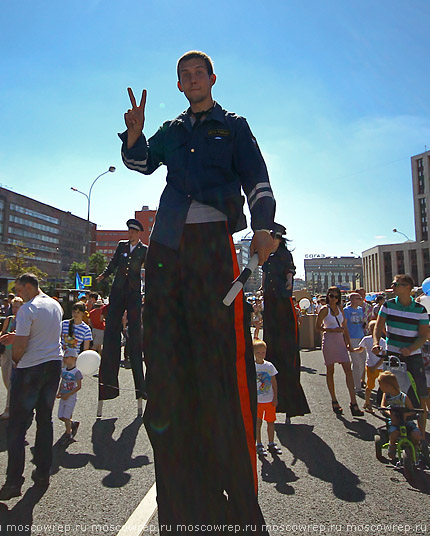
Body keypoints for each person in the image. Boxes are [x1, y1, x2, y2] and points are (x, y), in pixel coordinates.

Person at [121, 50, 275, 532]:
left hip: (213, 246)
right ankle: (182, 498)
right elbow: (141, 164)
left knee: (222, 363)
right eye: (182, 75)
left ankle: (237, 497)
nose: (190, 80)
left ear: (211, 78)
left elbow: (258, 180)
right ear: (179, 84)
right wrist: (133, 134)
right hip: (167, 248)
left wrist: (266, 228)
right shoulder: (171, 129)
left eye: (197, 73)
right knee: (165, 358)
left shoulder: (233, 126)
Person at [0, 273, 63, 500]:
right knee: (45, 420)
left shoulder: (27, 309)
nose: (17, 294)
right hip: (53, 364)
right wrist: (17, 337)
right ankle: (43, 472)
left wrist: (15, 358)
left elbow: (23, 346)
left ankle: (14, 481)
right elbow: (43, 335)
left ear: (28, 286)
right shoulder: (54, 305)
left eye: (19, 289)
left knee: (16, 426)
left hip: (30, 369)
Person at [372, 274, 430, 444]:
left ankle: (422, 435)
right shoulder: (388, 305)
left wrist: (411, 349)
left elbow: (423, 335)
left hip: (412, 356)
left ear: (408, 287)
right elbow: (378, 326)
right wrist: (377, 343)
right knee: (390, 389)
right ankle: (394, 427)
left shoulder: (420, 310)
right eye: (393, 284)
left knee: (420, 393)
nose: (393, 287)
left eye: (397, 284)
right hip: (392, 355)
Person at [96, 218, 147, 415]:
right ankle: (110, 371)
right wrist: (104, 275)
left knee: (134, 331)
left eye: (133, 232)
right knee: (112, 329)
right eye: (129, 231)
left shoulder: (144, 250)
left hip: (133, 292)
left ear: (139, 234)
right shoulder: (121, 246)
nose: (130, 234)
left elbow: (148, 270)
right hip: (118, 290)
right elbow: (114, 263)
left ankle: (140, 386)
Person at [261, 226, 309, 422]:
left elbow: (289, 272)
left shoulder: (284, 254)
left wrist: (289, 280)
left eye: (272, 238)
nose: (270, 241)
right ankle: (272, 398)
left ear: (279, 239)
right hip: (271, 302)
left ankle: (292, 402)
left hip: (283, 301)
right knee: (270, 348)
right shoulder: (266, 255)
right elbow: (264, 275)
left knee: (288, 351)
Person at [315, 286, 363, 416]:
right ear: (327, 296)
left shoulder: (341, 309)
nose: (333, 299)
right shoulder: (325, 310)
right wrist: (331, 330)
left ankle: (353, 402)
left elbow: (345, 327)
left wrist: (348, 343)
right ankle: (334, 400)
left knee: (348, 369)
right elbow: (317, 327)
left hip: (340, 341)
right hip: (329, 341)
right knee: (330, 371)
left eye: (336, 297)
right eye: (331, 296)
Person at [378, 371, 421, 462]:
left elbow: (412, 410)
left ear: (387, 385)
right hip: (394, 422)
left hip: (406, 422)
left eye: (380, 385)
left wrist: (406, 414)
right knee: (394, 434)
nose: (380, 387)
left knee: (416, 435)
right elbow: (383, 406)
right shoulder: (386, 395)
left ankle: (415, 448)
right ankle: (392, 447)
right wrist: (390, 414)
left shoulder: (403, 397)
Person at [253, 339, 280, 455]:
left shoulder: (269, 366)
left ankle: (271, 443)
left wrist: (275, 397)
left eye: (263, 352)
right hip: (257, 401)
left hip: (269, 399)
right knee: (258, 422)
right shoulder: (252, 367)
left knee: (271, 422)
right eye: (258, 353)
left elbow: (274, 382)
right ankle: (258, 443)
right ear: (253, 353)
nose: (261, 355)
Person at [351, 320, 385, 412]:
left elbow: (384, 356)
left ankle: (382, 404)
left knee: (383, 386)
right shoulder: (366, 339)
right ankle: (367, 402)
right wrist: (352, 350)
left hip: (380, 367)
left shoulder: (383, 341)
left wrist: (377, 365)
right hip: (370, 366)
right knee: (370, 385)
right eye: (371, 328)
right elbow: (360, 349)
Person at [0, 296, 23, 419]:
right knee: (6, 379)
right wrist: (1, 338)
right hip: (5, 351)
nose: (14, 309)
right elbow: (2, 332)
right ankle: (15, 398)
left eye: (17, 307)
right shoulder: (9, 319)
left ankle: (8, 407)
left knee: (12, 380)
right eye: (13, 306)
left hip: (16, 352)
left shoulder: (24, 320)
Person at [56, 352, 83, 440]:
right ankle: (72, 424)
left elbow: (78, 386)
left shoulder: (76, 372)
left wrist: (68, 394)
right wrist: (59, 392)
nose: (65, 359)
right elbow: (62, 382)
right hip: (63, 395)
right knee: (61, 416)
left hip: (70, 397)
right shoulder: (63, 370)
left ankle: (69, 433)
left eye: (67, 357)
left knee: (66, 416)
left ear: (73, 358)